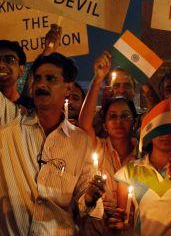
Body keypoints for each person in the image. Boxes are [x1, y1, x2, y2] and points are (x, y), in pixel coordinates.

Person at [0, 53, 105, 235]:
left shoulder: (80, 141)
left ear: (68, 89)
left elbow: (84, 198)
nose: (41, 84)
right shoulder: (8, 131)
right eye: (38, 79)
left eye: (50, 79)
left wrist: (89, 197)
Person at [113, 106, 171, 235]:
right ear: (149, 131)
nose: (167, 134)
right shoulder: (129, 172)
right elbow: (124, 221)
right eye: (160, 127)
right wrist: (121, 224)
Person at [79, 51, 137, 205]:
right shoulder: (98, 149)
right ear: (104, 124)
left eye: (125, 116)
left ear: (135, 122)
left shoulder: (142, 154)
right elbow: (84, 124)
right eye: (112, 116)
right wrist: (98, 80)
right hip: (98, 226)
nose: (118, 121)